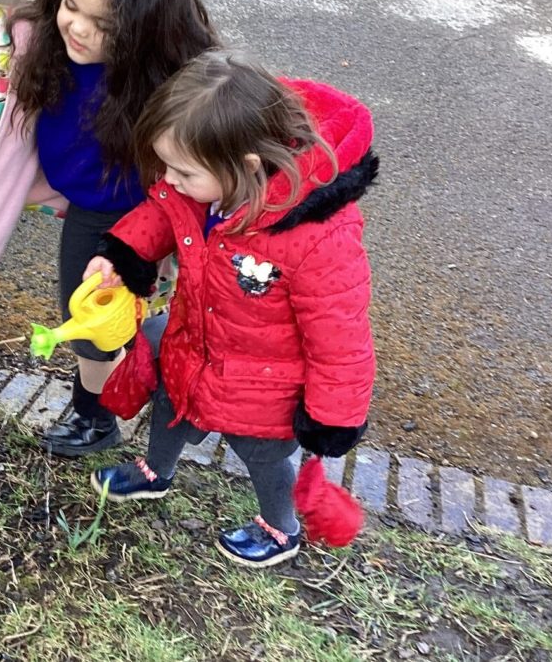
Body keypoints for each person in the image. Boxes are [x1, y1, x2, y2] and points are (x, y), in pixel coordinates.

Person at [0, 0, 218, 457]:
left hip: (145, 208)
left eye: (103, 25)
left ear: (147, 31)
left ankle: (102, 410)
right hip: (88, 198)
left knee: (102, 317)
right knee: (89, 316)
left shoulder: (180, 77)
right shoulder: (31, 39)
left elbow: (232, 134)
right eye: (70, 5)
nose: (78, 28)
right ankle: (100, 413)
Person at [87, 49, 379, 567]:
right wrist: (123, 255)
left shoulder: (317, 237)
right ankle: (156, 471)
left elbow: (340, 338)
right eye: (165, 166)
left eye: (182, 171)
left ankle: (281, 527)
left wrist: (331, 418)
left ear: (245, 165)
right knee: (170, 406)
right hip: (195, 344)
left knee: (262, 455)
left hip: (263, 382)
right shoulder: (204, 185)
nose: (169, 179)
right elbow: (163, 213)